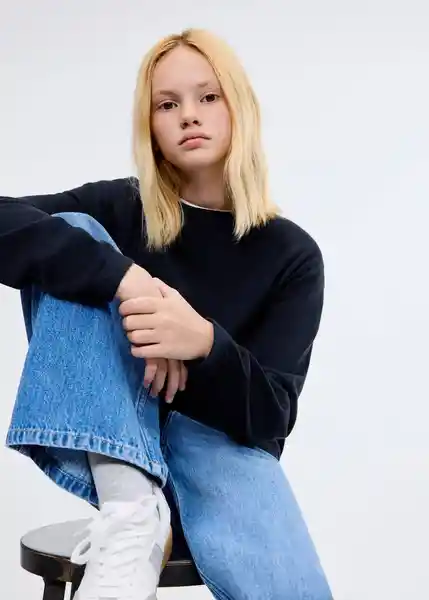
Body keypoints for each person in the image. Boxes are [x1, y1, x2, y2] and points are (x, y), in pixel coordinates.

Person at [0, 28, 333, 600]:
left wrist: (202, 343)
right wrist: (125, 278)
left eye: (208, 96)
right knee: (74, 235)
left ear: (238, 106)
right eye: (167, 104)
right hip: (116, 448)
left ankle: (141, 517)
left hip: (221, 456)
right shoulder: (118, 208)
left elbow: (272, 417)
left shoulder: (292, 255)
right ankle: (133, 514)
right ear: (150, 125)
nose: (189, 115)